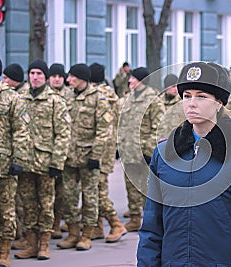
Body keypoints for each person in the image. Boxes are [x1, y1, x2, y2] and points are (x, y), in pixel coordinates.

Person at [137, 62, 231, 266]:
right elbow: (151, 228)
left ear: (219, 103)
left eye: (201, 96)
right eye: (187, 95)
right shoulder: (165, 153)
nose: (192, 103)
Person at [15, 59, 71, 261]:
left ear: (45, 77)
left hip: (46, 164)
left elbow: (63, 134)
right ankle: (31, 243)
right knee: (28, 205)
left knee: (46, 205)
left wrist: (57, 163)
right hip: (24, 163)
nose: (35, 77)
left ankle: (44, 245)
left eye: (39, 73)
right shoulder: (19, 99)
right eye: (32, 73)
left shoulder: (55, 101)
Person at [57, 63, 112, 251]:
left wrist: (96, 156)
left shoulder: (98, 98)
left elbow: (104, 130)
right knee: (69, 197)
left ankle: (87, 234)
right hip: (69, 157)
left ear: (81, 78)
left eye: (72, 76)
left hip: (89, 158)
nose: (68, 79)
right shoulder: (66, 96)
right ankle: (73, 233)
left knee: (90, 197)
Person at [118, 67, 165, 232]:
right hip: (128, 150)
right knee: (130, 186)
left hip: (144, 153)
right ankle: (134, 218)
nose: (130, 81)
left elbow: (158, 127)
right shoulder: (127, 99)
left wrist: (149, 151)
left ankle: (151, 220)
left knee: (147, 188)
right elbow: (121, 124)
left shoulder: (153, 99)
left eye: (133, 78)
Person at [0, 56, 29, 267]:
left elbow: (21, 131)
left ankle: (4, 253)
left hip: (4, 165)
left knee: (7, 211)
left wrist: (18, 159)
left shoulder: (11, 98)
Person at [88, 63, 127, 243]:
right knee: (95, 188)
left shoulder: (98, 95)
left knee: (98, 189)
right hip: (108, 148)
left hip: (100, 150)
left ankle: (115, 223)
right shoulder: (112, 94)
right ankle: (97, 226)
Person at [48, 63, 74, 239]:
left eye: (59, 76)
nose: (57, 79)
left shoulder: (70, 96)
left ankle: (57, 223)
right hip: (44, 153)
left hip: (67, 151)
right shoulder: (45, 95)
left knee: (63, 192)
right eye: (53, 76)